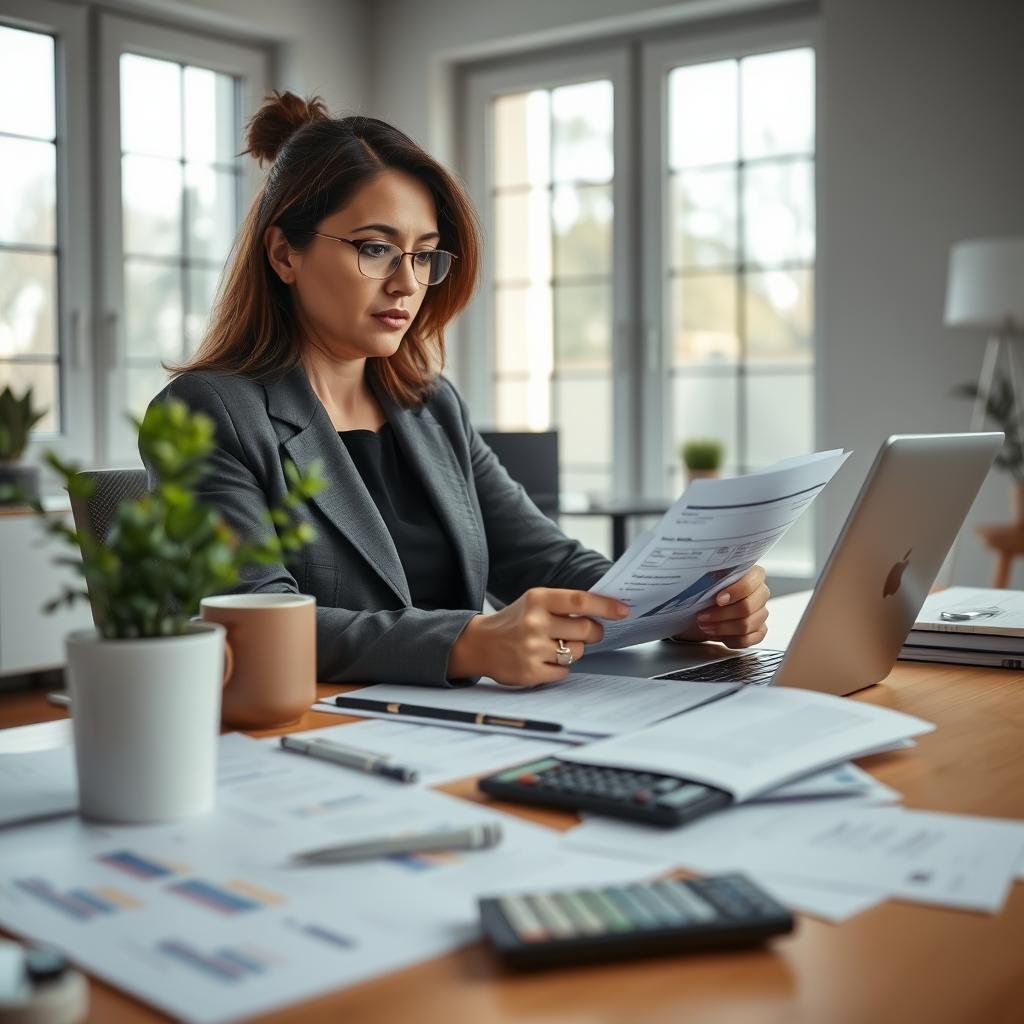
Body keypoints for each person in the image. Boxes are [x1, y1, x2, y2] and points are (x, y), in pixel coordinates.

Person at [145, 91, 769, 689]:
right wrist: (468, 642)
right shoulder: (208, 412)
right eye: (375, 249)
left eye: (423, 256)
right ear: (284, 253)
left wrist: (683, 604)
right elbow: (255, 621)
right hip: (323, 734)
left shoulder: (430, 406)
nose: (406, 284)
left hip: (468, 731)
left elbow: (543, 559)